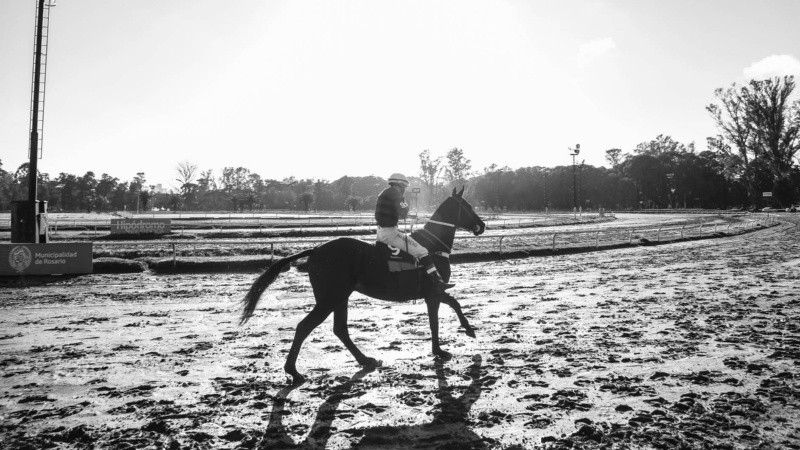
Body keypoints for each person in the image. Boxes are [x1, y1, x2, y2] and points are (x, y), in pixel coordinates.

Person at [375, 173, 454, 293]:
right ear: (400, 184)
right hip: (391, 233)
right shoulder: (396, 194)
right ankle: (437, 281)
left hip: (380, 232)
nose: (404, 189)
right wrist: (407, 209)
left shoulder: (384, 192)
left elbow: (394, 212)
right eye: (404, 186)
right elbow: (403, 211)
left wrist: (410, 215)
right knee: (422, 251)